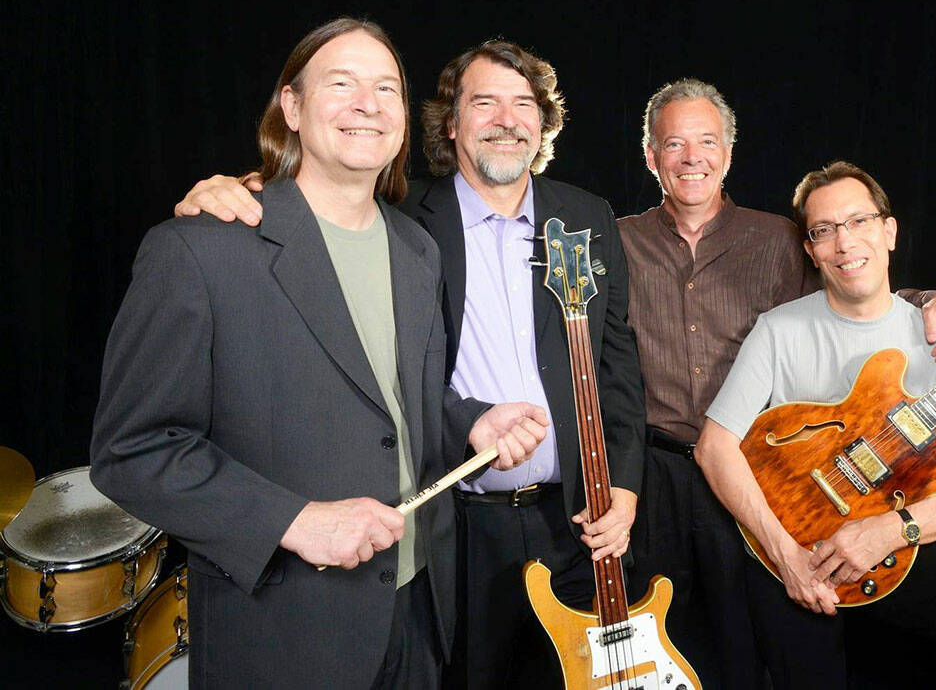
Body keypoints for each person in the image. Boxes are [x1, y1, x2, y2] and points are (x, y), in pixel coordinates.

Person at [173, 39, 646, 689]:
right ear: (449, 123)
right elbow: (311, 210)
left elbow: (617, 365)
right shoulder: (398, 218)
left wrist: (624, 486)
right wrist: (238, 189)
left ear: (544, 121)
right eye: (484, 103)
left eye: (523, 104)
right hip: (453, 525)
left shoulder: (587, 216)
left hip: (573, 520)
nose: (507, 120)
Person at [91, 18, 548, 689]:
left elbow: (400, 406)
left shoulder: (416, 251)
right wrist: (294, 521)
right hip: (285, 630)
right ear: (292, 107)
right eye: (342, 84)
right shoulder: (200, 248)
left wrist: (471, 422)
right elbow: (132, 450)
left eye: (386, 88)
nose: (368, 104)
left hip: (419, 614)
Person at [619, 81, 936, 687]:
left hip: (755, 476)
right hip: (654, 477)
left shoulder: (779, 240)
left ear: (728, 153)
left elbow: (853, 284)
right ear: (651, 156)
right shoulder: (618, 241)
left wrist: (927, 299)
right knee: (668, 650)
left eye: (707, 141)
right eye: (674, 144)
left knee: (749, 655)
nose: (692, 157)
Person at [696, 160, 936, 689]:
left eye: (859, 221)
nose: (844, 242)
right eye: (824, 230)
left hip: (894, 538)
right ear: (811, 250)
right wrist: (786, 557)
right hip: (795, 547)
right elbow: (714, 447)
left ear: (890, 232)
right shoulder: (778, 330)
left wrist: (890, 531)